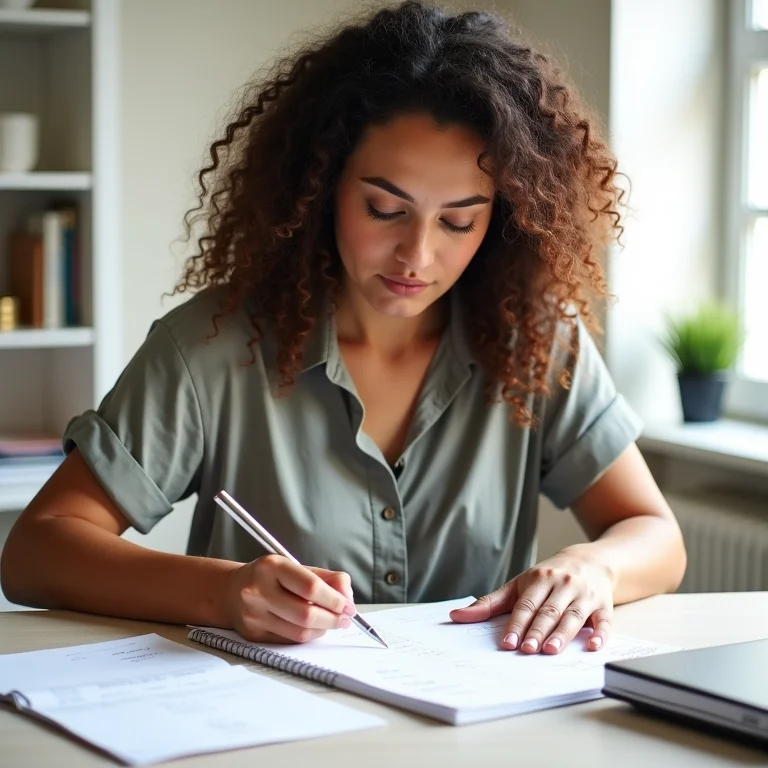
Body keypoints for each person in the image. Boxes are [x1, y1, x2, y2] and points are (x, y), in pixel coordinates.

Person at [0, 1, 685, 656]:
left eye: (458, 220)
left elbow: (654, 534)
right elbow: (36, 551)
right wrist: (223, 592)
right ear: (323, 184)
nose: (417, 256)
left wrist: (594, 567)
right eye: (385, 209)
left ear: (500, 218)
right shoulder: (210, 345)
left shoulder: (536, 341)